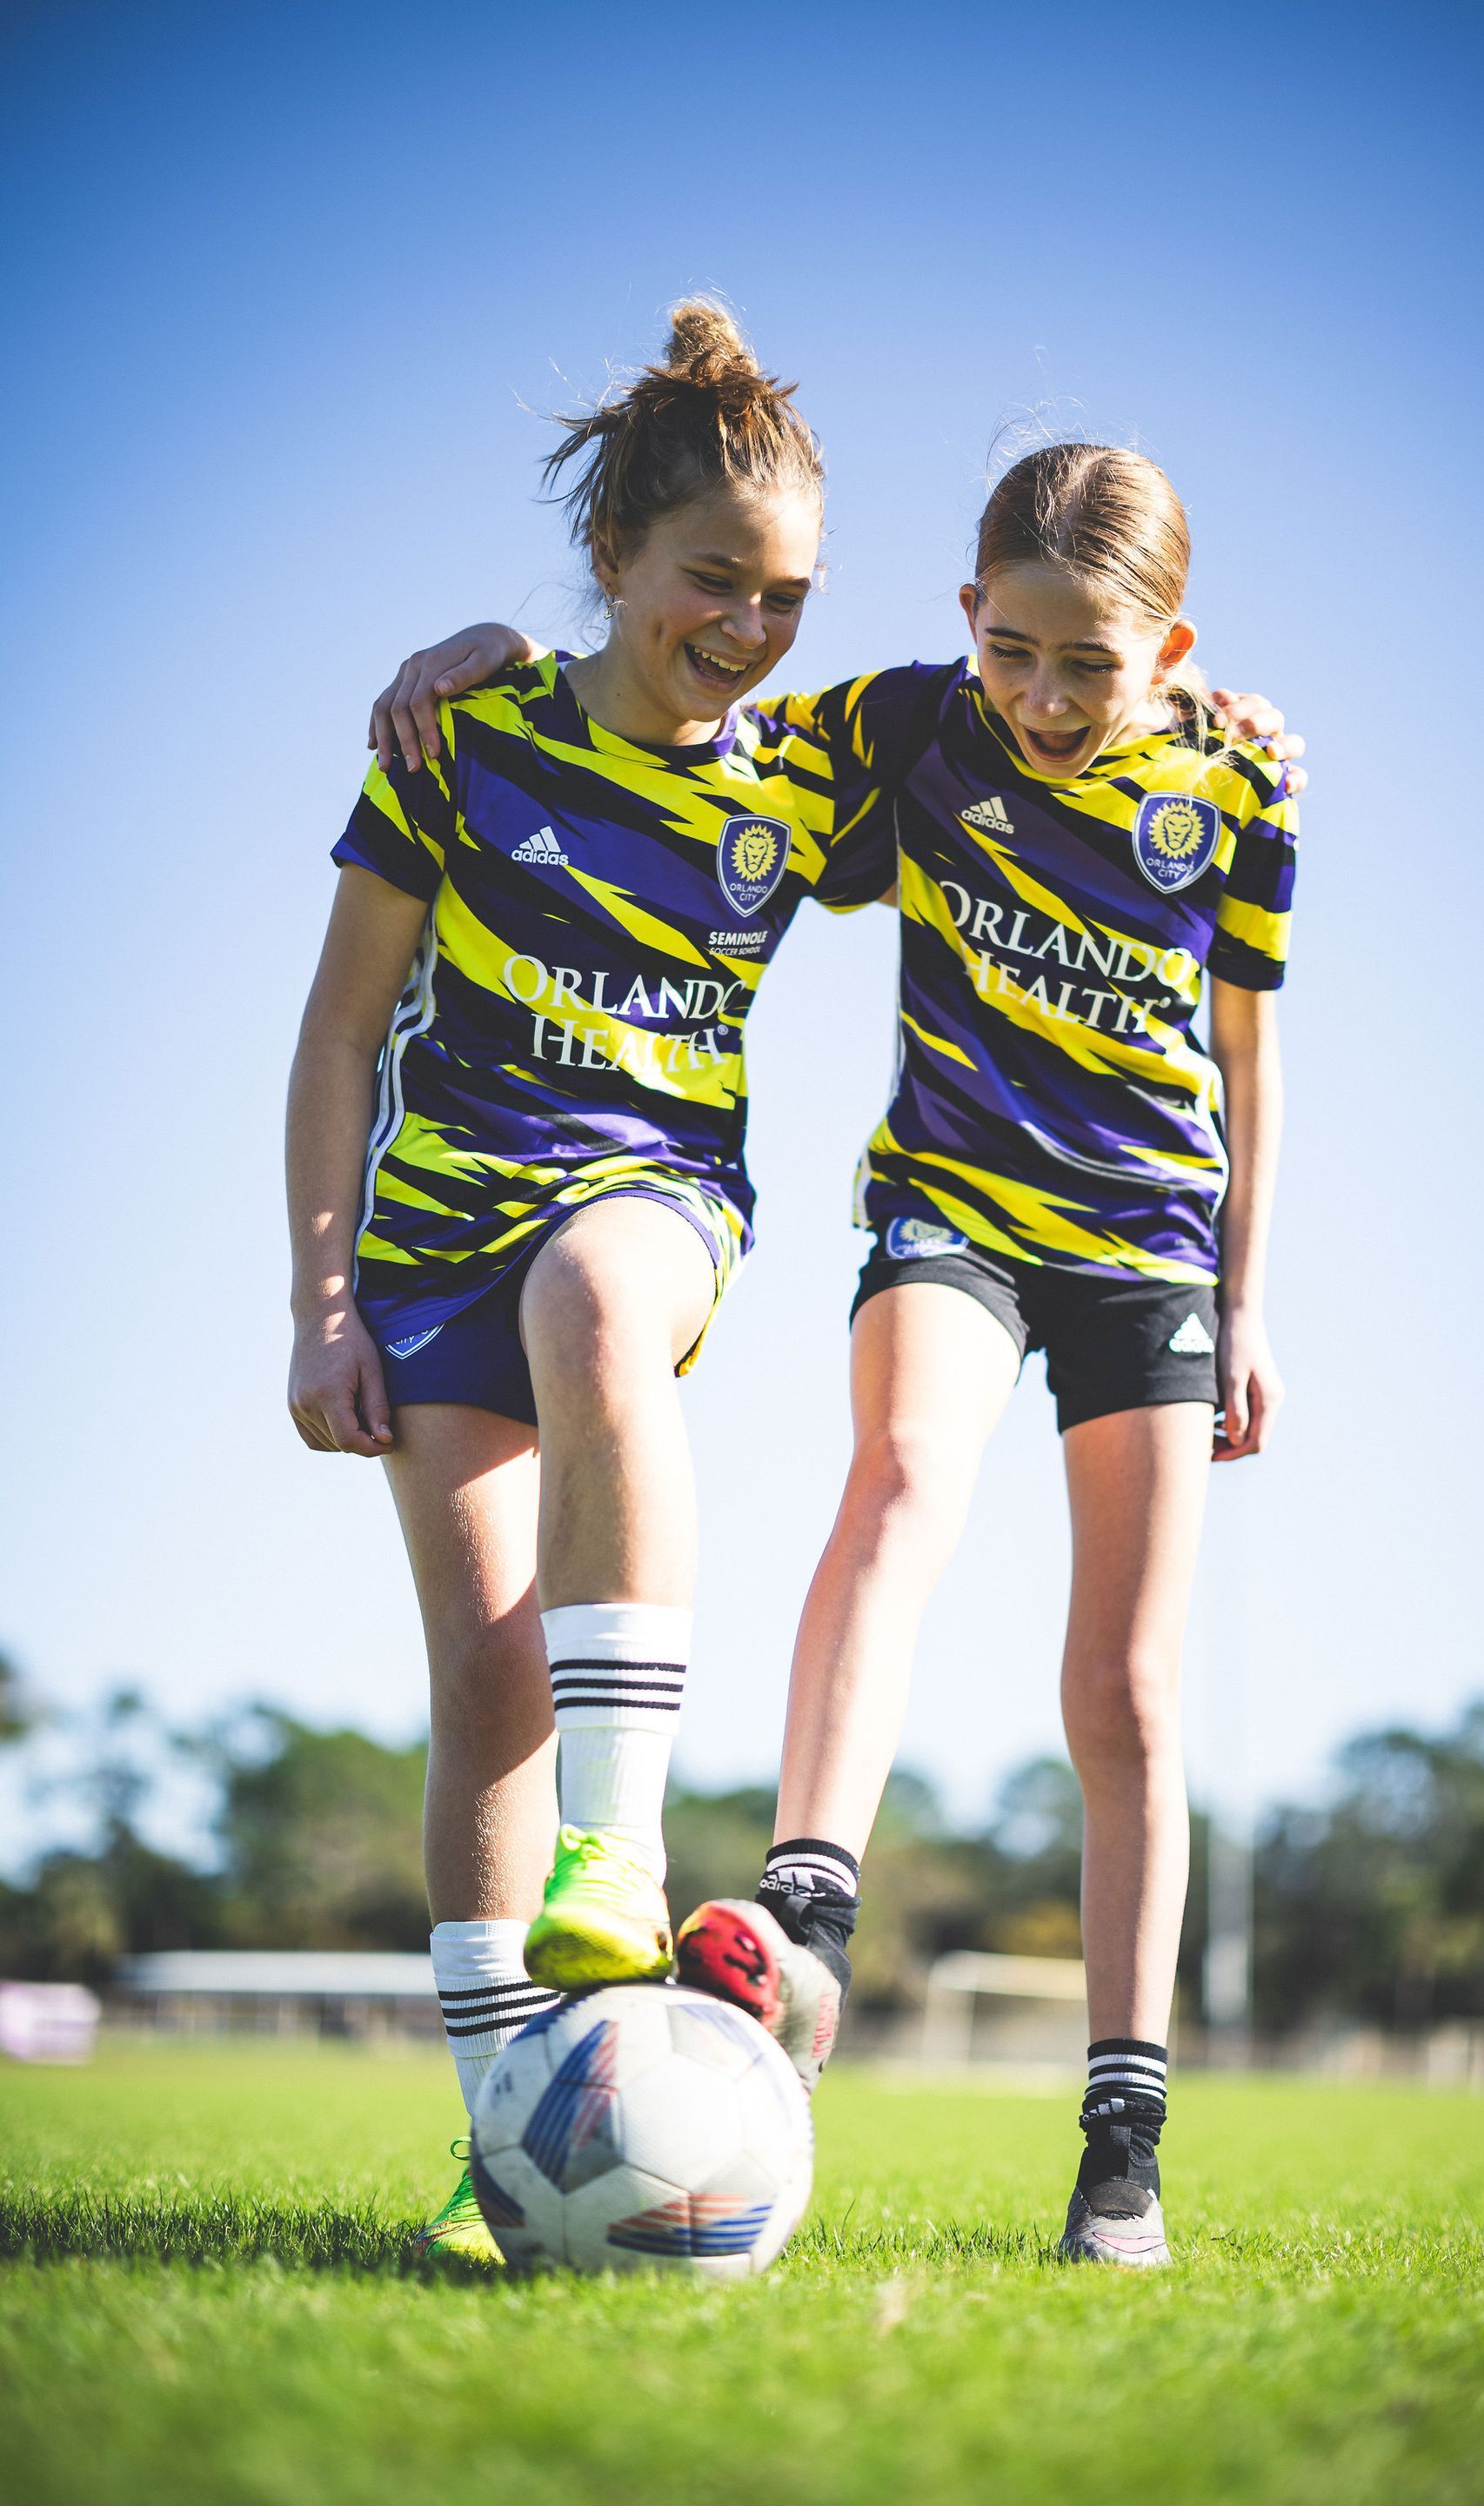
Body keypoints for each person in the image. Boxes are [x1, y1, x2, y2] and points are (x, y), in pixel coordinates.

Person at [336, 334, 1304, 2263]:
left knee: (1123, 1686)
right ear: (963, 622)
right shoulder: (902, 734)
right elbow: (645, 714)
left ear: (1171, 655)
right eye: (1010, 651)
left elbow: (1252, 1064)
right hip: (943, 1208)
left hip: (1156, 1253)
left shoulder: (1235, 790)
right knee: (900, 1483)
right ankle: (803, 1900)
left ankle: (1125, 2146)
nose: (1039, 697)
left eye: (1090, 664)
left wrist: (1256, 1302)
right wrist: (473, 649)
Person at [286, 303, 896, 2261]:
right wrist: (318, 1304)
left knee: (599, 1302)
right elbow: (337, 1037)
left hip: (651, 1200)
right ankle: (510, 2143)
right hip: (427, 1243)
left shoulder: (804, 779)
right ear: (613, 557)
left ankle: (617, 1850)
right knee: (480, 1670)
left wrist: (1207, 728)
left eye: (787, 596)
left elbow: (1044, 744)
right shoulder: (460, 737)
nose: (748, 628)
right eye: (711, 582)